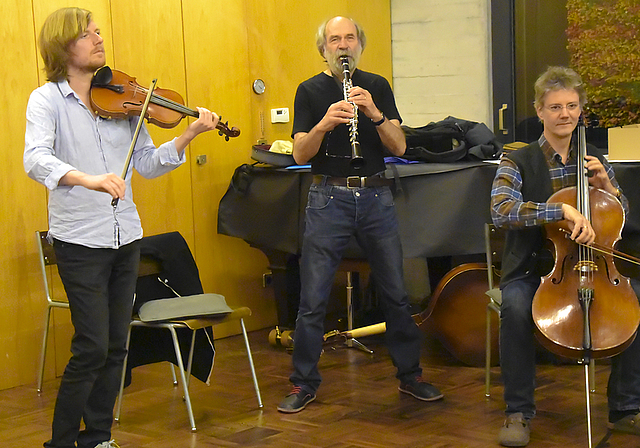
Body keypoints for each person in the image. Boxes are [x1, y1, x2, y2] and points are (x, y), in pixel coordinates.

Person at [24, 7, 219, 448]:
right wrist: (88, 178)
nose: (99, 39)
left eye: (98, 32)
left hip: (124, 236)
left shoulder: (122, 101)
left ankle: (97, 438)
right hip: (79, 240)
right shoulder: (47, 99)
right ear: (63, 45)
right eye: (88, 34)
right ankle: (58, 442)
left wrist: (188, 135)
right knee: (91, 346)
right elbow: (35, 158)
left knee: (117, 345)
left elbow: (146, 165)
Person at [277, 16, 443, 414]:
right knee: (313, 297)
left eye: (349, 38)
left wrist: (374, 114)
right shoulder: (309, 90)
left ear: (359, 46)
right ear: (324, 49)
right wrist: (323, 124)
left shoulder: (378, 86)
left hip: (375, 197)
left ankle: (411, 376)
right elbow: (300, 154)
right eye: (334, 40)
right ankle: (303, 384)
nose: (343, 46)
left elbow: (400, 146)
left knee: (395, 293)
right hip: (327, 197)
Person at [491, 65, 640, 446]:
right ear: (539, 110)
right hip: (535, 268)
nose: (565, 115)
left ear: (580, 109)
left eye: (572, 106)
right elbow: (501, 210)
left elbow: (619, 216)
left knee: (636, 300)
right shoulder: (518, 160)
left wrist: (608, 188)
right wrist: (559, 210)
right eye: (555, 107)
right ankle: (518, 411)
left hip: (594, 268)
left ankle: (625, 408)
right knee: (515, 305)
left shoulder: (595, 161)